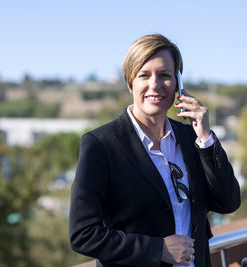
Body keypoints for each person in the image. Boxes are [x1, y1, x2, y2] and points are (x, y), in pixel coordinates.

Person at [69, 34, 240, 267]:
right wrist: (158, 249)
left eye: (165, 75)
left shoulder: (192, 138)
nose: (155, 85)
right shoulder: (101, 145)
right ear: (130, 82)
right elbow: (83, 234)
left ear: (178, 83)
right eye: (144, 75)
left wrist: (205, 138)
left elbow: (228, 203)